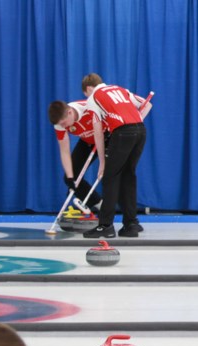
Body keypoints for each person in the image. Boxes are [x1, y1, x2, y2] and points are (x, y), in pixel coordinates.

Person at [81, 73, 152, 239]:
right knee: (128, 176)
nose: (86, 97)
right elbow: (147, 104)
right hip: (140, 130)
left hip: (122, 133)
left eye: (86, 94)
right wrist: (133, 122)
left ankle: (105, 225)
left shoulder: (93, 97)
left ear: (89, 88)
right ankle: (131, 224)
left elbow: (98, 132)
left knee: (110, 178)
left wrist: (102, 162)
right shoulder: (121, 89)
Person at [47, 98, 104, 213]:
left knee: (110, 174)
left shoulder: (89, 109)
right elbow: (64, 150)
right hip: (87, 141)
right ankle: (99, 204)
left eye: (64, 123)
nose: (63, 126)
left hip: (106, 138)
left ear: (69, 112)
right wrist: (70, 177)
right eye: (60, 125)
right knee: (72, 177)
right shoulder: (59, 124)